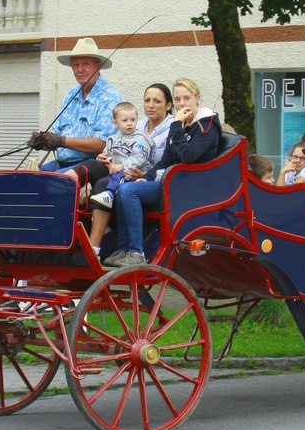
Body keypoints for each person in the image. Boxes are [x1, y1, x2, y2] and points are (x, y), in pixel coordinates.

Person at [106, 78, 223, 268]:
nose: (181, 104)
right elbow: (165, 160)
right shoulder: (182, 124)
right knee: (125, 188)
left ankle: (137, 253)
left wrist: (176, 125)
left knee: (130, 191)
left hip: (190, 186)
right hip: (171, 181)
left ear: (197, 99)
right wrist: (147, 177)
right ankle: (124, 248)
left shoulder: (206, 125)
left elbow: (188, 156)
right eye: (178, 99)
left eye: (186, 98)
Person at [28, 37, 125, 180]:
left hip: (93, 165)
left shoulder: (110, 97)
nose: (80, 70)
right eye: (75, 65)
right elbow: (58, 136)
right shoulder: (71, 95)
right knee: (29, 178)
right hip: (62, 163)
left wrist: (61, 141)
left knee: (47, 181)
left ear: (98, 66)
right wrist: (43, 142)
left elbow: (103, 144)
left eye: (85, 64)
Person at [86, 102, 156, 248]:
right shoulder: (112, 139)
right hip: (115, 172)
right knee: (100, 183)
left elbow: (139, 159)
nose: (129, 123)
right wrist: (106, 161)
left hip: (133, 174)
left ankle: (110, 194)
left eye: (133, 120)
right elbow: (108, 154)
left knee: (122, 174)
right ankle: (97, 220)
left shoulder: (140, 139)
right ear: (116, 123)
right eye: (125, 121)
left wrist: (121, 166)